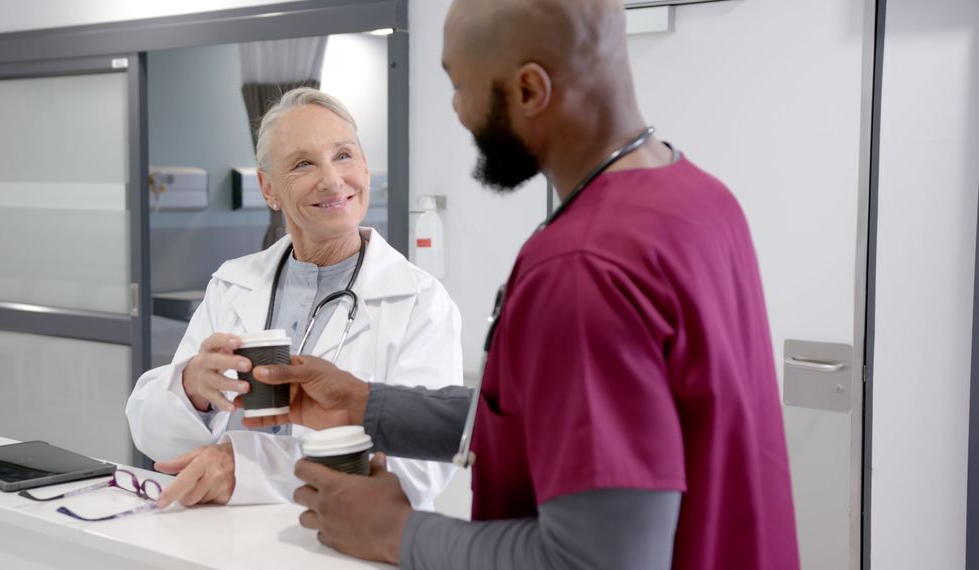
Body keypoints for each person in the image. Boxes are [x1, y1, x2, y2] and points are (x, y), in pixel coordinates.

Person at [251, 0, 802, 568]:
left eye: (461, 86)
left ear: (530, 90)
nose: (460, 114)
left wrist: (395, 532)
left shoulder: (581, 267)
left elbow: (596, 560)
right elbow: (564, 415)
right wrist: (368, 406)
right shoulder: (700, 199)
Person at [125, 88, 462, 510]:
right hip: (221, 539)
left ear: (365, 167)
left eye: (344, 155)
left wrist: (248, 470)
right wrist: (192, 386)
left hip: (346, 544)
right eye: (303, 163)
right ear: (269, 188)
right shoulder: (233, 284)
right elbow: (150, 432)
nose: (332, 179)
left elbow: (417, 468)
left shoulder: (418, 302)